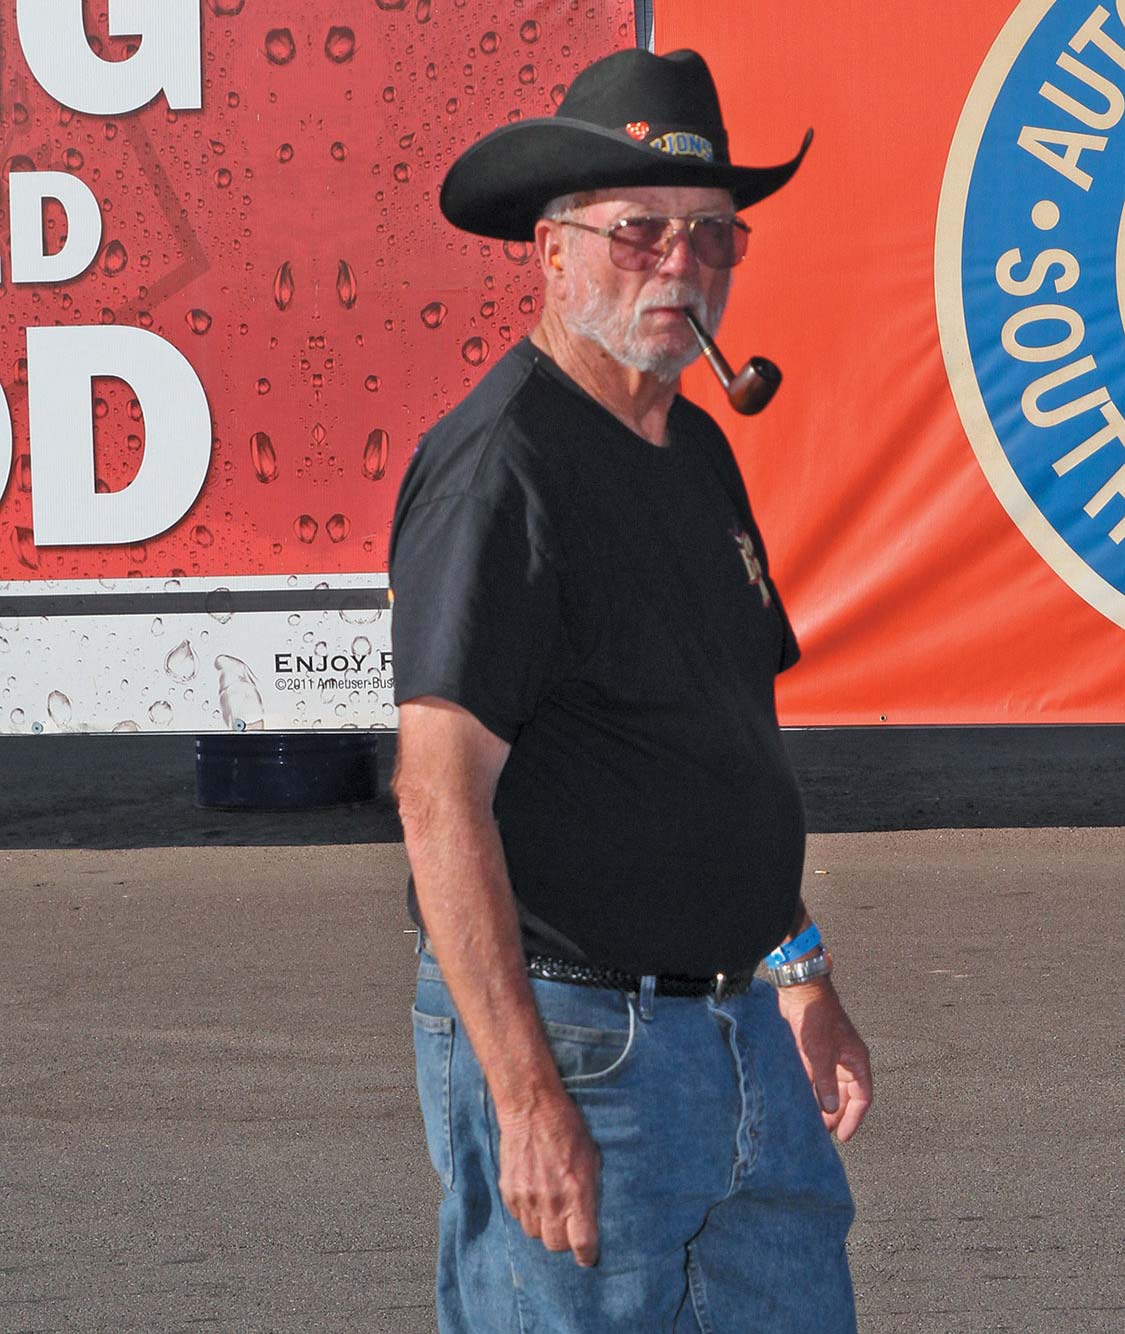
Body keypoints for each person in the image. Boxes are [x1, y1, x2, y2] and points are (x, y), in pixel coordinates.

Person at [389, 46, 873, 1333]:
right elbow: (439, 798)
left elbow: (719, 748)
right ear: (552, 252)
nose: (680, 264)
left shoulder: (696, 446)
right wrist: (524, 1095)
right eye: (640, 231)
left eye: (713, 234)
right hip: (581, 1039)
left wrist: (799, 968)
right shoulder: (503, 470)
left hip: (739, 1032)